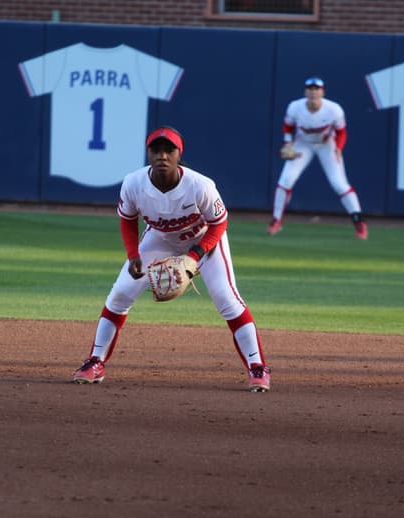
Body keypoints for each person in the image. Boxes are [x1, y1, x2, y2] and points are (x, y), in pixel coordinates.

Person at [74, 126, 271, 392]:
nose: (162, 156)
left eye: (169, 150)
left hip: (203, 241)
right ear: (148, 153)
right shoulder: (133, 183)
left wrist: (194, 256)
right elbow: (127, 220)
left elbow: (219, 224)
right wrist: (133, 255)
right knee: (120, 294)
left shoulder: (200, 185)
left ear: (179, 154)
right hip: (160, 239)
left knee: (227, 298)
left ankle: (257, 367)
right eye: (156, 150)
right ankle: (95, 361)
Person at [267, 76, 368, 240]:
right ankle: (276, 221)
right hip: (302, 144)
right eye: (310, 89)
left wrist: (339, 148)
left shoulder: (334, 109)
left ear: (323, 92)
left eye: (317, 89)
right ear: (305, 91)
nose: (313, 92)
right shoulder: (295, 107)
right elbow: (287, 127)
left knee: (339, 184)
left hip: (327, 145)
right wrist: (288, 144)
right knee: (285, 181)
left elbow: (341, 131)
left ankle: (359, 223)